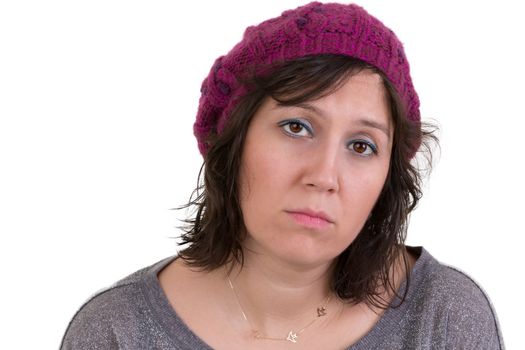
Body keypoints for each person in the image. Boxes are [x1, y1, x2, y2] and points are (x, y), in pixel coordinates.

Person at [60, 2, 504, 349]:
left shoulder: (445, 317)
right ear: (233, 142)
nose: (324, 175)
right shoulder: (116, 332)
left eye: (361, 146)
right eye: (297, 127)